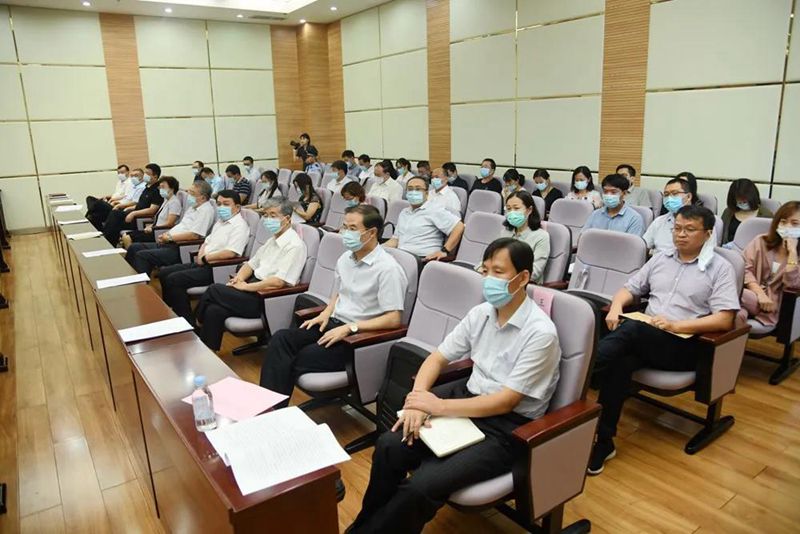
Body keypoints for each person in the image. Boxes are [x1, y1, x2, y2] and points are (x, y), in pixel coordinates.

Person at [348, 238, 560, 534]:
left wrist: (437, 406)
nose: (488, 279)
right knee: (388, 446)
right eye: (485, 270)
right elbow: (437, 358)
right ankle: (363, 526)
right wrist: (417, 400)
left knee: (421, 486)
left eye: (498, 272)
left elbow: (507, 401)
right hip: (466, 404)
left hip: (507, 428)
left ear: (523, 277)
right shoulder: (481, 313)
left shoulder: (540, 333)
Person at [589, 205, 740, 475]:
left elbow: (724, 319)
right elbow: (629, 288)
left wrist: (676, 325)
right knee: (619, 362)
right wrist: (616, 307)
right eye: (677, 228)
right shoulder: (661, 259)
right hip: (646, 338)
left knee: (632, 331)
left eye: (689, 229)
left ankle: (582, 373)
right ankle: (604, 441)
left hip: (684, 345)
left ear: (707, 234)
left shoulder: (720, 268)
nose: (681, 234)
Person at [259, 205, 408, 402]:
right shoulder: (345, 258)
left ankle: (271, 410)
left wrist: (350, 328)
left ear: (371, 233)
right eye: (344, 227)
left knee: (297, 357)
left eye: (352, 228)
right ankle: (267, 408)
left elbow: (394, 319)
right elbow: (339, 293)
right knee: (281, 339)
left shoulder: (388, 269)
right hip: (333, 323)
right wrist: (325, 313)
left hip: (357, 337)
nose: (345, 233)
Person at [196, 199, 307, 350]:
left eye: (273, 215)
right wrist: (239, 279)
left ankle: (195, 325)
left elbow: (278, 282)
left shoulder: (295, 245)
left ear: (287, 219)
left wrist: (245, 287)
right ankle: (207, 353)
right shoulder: (272, 240)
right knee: (214, 311)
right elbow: (250, 264)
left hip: (265, 299)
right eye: (266, 215)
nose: (268, 219)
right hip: (251, 289)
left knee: (214, 289)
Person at [159, 190, 251, 324]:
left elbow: (231, 252)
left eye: (226, 204)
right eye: (219, 204)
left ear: (237, 207)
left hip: (216, 268)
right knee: (164, 272)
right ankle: (170, 311)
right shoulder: (220, 222)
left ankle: (186, 322)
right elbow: (206, 241)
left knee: (174, 279)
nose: (221, 207)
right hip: (202, 262)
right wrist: (201, 255)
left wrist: (205, 258)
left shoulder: (240, 226)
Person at [126, 180, 217, 275]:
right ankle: (128, 278)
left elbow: (194, 235)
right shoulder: (193, 207)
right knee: (134, 247)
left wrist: (169, 237)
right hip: (169, 242)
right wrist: (166, 234)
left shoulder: (205, 211)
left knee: (142, 256)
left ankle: (140, 283)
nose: (188, 195)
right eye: (189, 192)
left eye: (192, 193)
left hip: (180, 247)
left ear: (203, 197)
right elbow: (182, 226)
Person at [741, 201, 800, 328]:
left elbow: (792, 285)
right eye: (783, 222)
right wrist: (760, 294)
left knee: (732, 292)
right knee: (736, 315)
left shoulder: (796, 254)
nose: (787, 227)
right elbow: (744, 268)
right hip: (751, 297)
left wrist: (793, 252)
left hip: (776, 307)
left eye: (794, 223)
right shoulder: (761, 241)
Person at [384, 176, 464, 261]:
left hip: (422, 259)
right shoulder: (404, 212)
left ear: (426, 193)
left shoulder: (434, 210)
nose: (413, 192)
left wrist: (445, 251)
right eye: (410, 189)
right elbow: (395, 240)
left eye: (418, 189)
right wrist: (379, 249)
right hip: (400, 256)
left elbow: (459, 226)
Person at [103, 163, 164, 245]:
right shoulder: (147, 188)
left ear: (155, 176)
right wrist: (130, 209)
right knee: (114, 214)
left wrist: (133, 213)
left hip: (140, 218)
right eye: (145, 173)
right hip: (135, 214)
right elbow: (140, 204)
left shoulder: (157, 190)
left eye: (147, 174)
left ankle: (108, 243)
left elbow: (152, 210)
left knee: (115, 220)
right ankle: (107, 241)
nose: (145, 175)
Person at [501, 191, 549, 284]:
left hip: (524, 285)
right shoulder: (505, 232)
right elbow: (491, 258)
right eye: (509, 209)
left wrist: (503, 274)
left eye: (516, 208)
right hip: (500, 279)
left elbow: (535, 272)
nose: (511, 213)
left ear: (529, 210)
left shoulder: (541, 236)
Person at [121, 176, 182, 247]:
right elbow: (159, 220)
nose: (161, 189)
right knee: (125, 235)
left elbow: (169, 223)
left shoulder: (174, 202)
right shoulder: (166, 200)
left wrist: (153, 228)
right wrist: (151, 225)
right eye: (160, 187)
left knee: (127, 237)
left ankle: (130, 253)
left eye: (163, 187)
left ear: (172, 188)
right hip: (154, 229)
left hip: (159, 232)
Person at [644, 178, 695, 253]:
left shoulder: (701, 221)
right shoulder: (659, 221)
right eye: (666, 195)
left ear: (688, 196)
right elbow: (643, 247)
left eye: (674, 193)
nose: (669, 198)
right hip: (659, 259)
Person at [721, 178, 772, 244]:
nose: (742, 203)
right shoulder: (728, 212)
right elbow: (721, 237)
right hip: (728, 249)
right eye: (739, 202)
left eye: (745, 201)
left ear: (752, 198)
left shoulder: (766, 215)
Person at [85, 164, 132, 229]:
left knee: (96, 205)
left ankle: (90, 212)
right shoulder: (119, 182)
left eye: (122, 172)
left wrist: (112, 200)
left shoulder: (130, 182)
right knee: (90, 199)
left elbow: (125, 196)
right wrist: (105, 197)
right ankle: (98, 227)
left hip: (116, 205)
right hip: (110, 202)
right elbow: (116, 194)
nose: (120, 174)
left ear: (128, 172)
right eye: (119, 173)